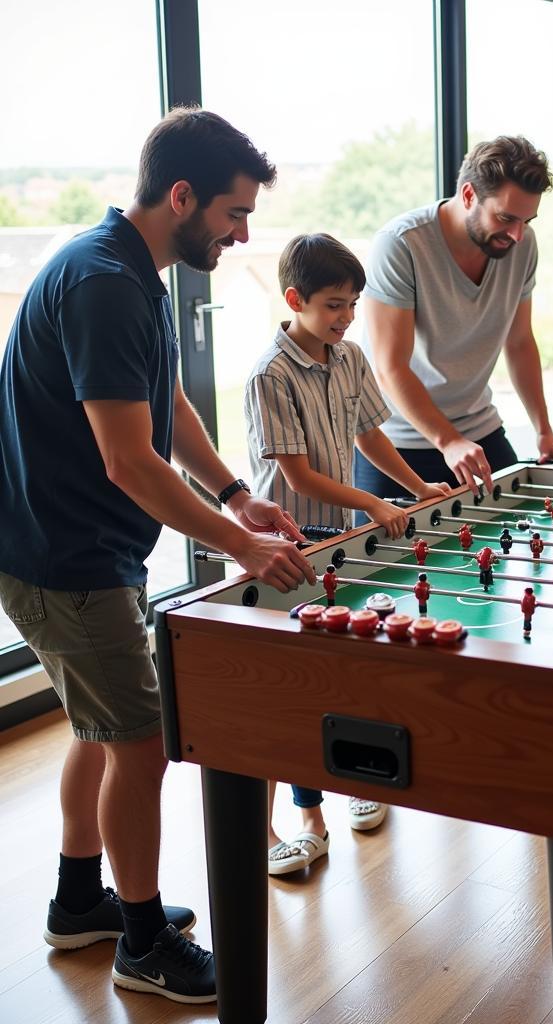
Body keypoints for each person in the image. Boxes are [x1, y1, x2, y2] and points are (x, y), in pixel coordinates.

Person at [0, 107, 316, 1005]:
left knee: (102, 733)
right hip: (62, 554)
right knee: (140, 745)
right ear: (182, 196)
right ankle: (142, 946)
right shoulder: (103, 281)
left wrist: (234, 495)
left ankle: (78, 905)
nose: (243, 233)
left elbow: (164, 401)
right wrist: (241, 548)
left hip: (77, 545)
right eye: (232, 213)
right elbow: (127, 459)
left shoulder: (135, 269)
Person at [244, 233, 450, 872]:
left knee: (342, 673)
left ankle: (342, 789)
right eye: (334, 305)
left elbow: (369, 435)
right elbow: (299, 477)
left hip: (341, 544)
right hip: (286, 547)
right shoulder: (269, 373)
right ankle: (276, 823)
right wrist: (373, 504)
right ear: (294, 299)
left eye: (353, 304)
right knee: (281, 697)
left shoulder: (350, 355)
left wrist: (417, 489)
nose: (346, 317)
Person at [355, 135, 553, 502]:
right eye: (505, 218)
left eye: (527, 220)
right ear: (469, 195)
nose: (517, 234)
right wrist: (448, 441)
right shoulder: (401, 244)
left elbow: (518, 343)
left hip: (477, 432)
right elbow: (390, 368)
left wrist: (543, 429)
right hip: (396, 443)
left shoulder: (521, 243)